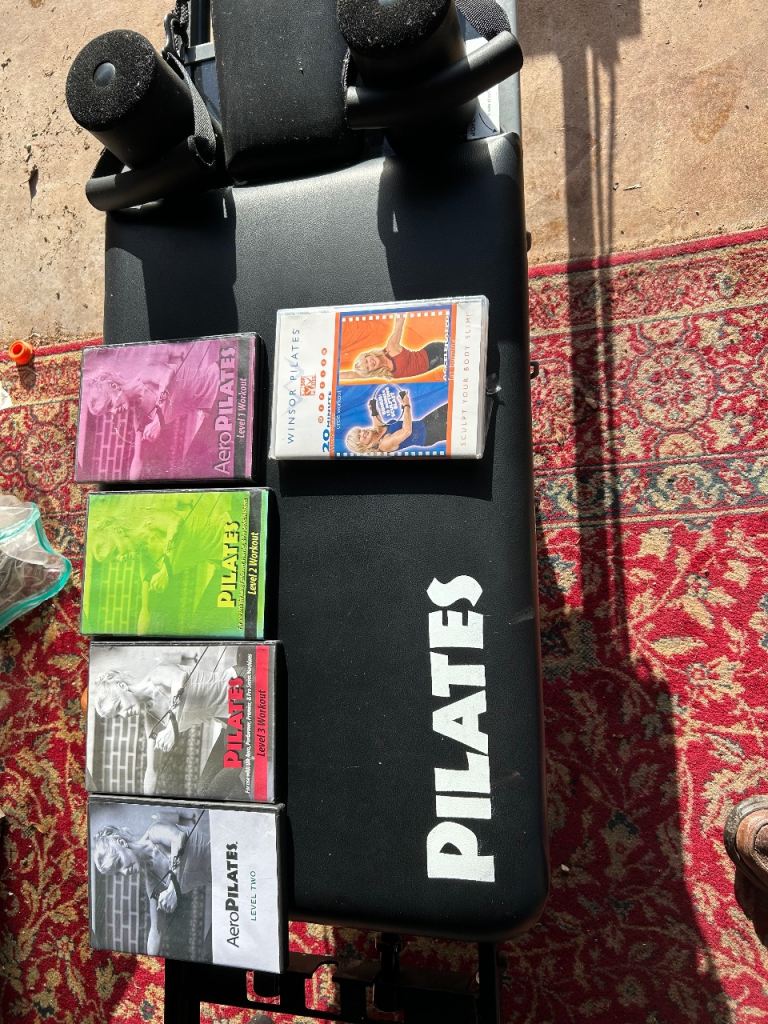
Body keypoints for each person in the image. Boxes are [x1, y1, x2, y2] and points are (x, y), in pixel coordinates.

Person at [91, 649, 246, 798]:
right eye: (118, 715)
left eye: (119, 706)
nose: (124, 714)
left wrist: (172, 726)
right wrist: (146, 801)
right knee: (205, 791)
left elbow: (180, 678)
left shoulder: (156, 677)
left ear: (122, 686)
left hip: (240, 687)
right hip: (233, 719)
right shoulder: (152, 721)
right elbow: (152, 770)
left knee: (230, 768)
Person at [82, 343, 220, 478]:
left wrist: (158, 420)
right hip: (209, 408)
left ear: (113, 386)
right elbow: (137, 460)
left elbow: (168, 375)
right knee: (196, 465)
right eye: (108, 412)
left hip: (216, 381)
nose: (113, 411)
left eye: (110, 404)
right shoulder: (140, 416)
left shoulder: (144, 377)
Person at [92, 810, 210, 957]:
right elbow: (156, 930)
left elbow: (179, 838)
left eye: (119, 863)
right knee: (207, 954)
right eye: (118, 873)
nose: (124, 872)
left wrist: (173, 887)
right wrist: (148, 961)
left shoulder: (154, 833)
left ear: (121, 843)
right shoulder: (152, 879)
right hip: (224, 883)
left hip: (228, 854)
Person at [339, 313, 446, 381]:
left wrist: (400, 309)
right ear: (370, 371)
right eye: (368, 367)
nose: (370, 363)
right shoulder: (381, 372)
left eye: (366, 361)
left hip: (436, 352)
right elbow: (351, 375)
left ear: (368, 355)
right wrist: (331, 377)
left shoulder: (391, 348)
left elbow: (399, 325)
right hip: (431, 364)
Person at [345, 389, 448, 455]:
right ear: (363, 446)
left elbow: (375, 417)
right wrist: (406, 405)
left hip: (427, 421)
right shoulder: (384, 444)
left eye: (359, 431)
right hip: (430, 432)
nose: (362, 433)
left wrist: (373, 406)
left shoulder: (377, 431)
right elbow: (407, 431)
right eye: (359, 437)